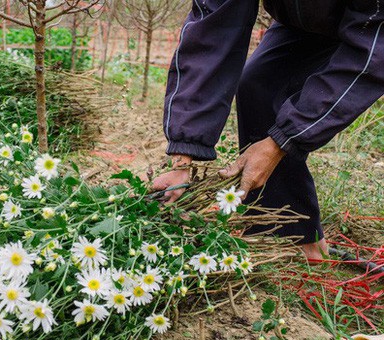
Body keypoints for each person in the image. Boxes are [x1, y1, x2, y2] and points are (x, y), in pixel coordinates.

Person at [152, 0, 384, 260]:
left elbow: (373, 53)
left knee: (279, 120)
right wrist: (183, 158)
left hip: (372, 26)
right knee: (258, 86)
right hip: (306, 21)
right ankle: (290, 236)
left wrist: (280, 141)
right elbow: (214, 28)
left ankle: (301, 244)